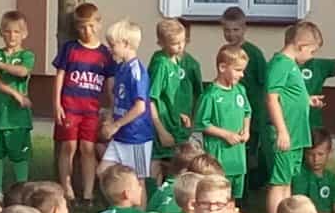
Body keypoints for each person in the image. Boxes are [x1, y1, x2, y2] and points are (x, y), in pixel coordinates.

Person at [261, 21, 324, 213]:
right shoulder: (280, 64)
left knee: (286, 182)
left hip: (296, 135)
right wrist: (282, 131)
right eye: (312, 51)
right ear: (300, 45)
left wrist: (307, 100)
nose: (311, 56)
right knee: (278, 183)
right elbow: (272, 98)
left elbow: (290, 95)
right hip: (284, 135)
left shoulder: (291, 65)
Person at [51, 2, 112, 205]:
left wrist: (112, 108)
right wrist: (57, 104)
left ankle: (88, 193)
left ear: (99, 24)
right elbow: (60, 76)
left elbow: (110, 83)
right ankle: (66, 189)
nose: (87, 31)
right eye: (82, 27)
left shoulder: (104, 54)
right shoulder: (70, 49)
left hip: (91, 110)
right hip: (70, 106)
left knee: (88, 148)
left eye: (91, 26)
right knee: (68, 146)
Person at [219, 6, 272, 193]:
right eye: (227, 30)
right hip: (230, 112)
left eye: (236, 29)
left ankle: (248, 191)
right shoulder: (224, 52)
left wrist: (264, 114)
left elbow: (265, 84)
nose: (231, 34)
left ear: (244, 29)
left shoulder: (253, 53)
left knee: (250, 154)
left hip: (252, 113)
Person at [0, 9, 36, 194]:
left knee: (19, 155)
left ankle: (22, 190)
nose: (12, 36)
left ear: (24, 34)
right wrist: (15, 94)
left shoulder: (26, 55)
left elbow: (22, 71)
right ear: (1, 33)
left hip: (17, 118)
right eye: (7, 31)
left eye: (16, 32)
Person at [99, 19, 155, 187]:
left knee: (137, 182)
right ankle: (119, 203)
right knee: (103, 172)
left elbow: (140, 107)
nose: (110, 49)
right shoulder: (121, 68)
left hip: (136, 136)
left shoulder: (136, 71)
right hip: (120, 136)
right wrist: (110, 119)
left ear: (125, 44)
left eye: (113, 45)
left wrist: (116, 125)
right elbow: (117, 99)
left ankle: (140, 205)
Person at [195, 43, 251, 200]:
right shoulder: (211, 95)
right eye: (238, 70)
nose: (242, 75)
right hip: (219, 159)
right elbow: (201, 123)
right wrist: (226, 134)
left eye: (243, 70)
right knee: (218, 196)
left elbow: (247, 111)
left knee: (234, 199)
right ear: (222, 67)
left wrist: (246, 129)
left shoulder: (240, 90)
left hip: (238, 159)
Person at [147, 18, 196, 183]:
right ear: (161, 43)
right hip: (163, 125)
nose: (180, 46)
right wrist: (161, 130)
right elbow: (150, 99)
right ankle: (153, 194)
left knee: (180, 161)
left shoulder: (184, 62)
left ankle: (173, 194)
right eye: (175, 43)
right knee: (157, 161)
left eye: (183, 41)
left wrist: (186, 115)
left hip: (178, 125)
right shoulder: (160, 64)